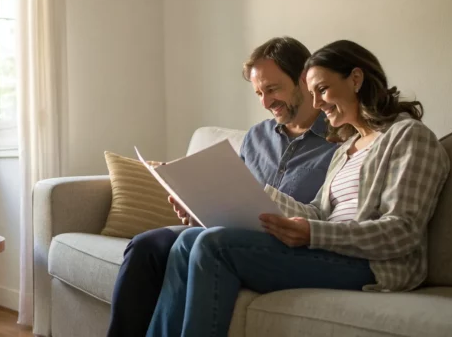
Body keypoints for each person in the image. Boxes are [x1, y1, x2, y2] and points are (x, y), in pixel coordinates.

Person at [145, 40, 451, 337]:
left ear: (356, 79)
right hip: (329, 250)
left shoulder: (409, 136)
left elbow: (403, 231)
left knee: (215, 245)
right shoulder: (347, 148)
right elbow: (317, 212)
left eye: (322, 89)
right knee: (188, 241)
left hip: (373, 266)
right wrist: (243, 196)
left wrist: (313, 234)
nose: (316, 103)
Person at [106, 36, 339, 337]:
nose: (266, 103)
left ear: (303, 80)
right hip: (225, 230)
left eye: (272, 89)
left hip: (278, 244)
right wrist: (196, 209)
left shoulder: (339, 140)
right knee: (146, 246)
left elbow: (328, 215)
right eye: (259, 93)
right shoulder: (257, 136)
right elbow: (234, 195)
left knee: (202, 246)